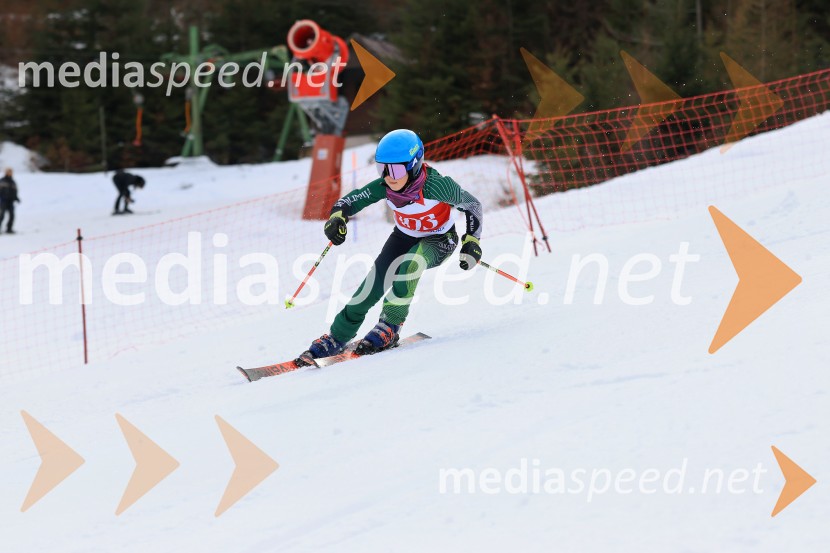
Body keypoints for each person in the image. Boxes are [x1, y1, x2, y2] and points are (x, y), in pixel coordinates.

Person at [298, 129, 484, 363]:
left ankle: (390, 325)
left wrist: (472, 240)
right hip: (403, 238)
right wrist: (337, 218)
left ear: (414, 165)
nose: (389, 176)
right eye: (382, 168)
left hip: (439, 240)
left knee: (410, 266)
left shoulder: (437, 186)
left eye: (395, 169)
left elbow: (472, 205)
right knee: (369, 289)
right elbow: (350, 200)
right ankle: (337, 337)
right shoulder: (385, 186)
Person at [0, 168, 20, 234]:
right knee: (1, 216)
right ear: (6, 172)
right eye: (9, 172)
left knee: (12, 216)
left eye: (11, 172)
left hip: (10, 202)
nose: (10, 173)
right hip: (3, 201)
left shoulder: (12, 182)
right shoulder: (2, 181)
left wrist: (16, 198)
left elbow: (15, 191)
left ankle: (9, 229)